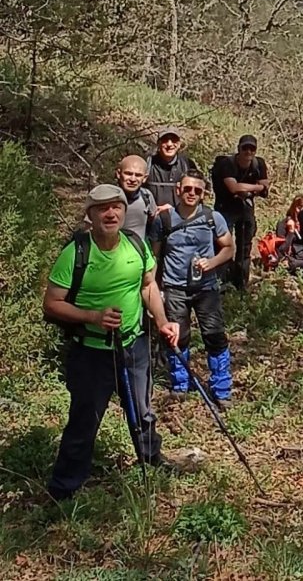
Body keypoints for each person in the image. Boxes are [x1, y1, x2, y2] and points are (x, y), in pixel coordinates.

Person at [43, 185, 180, 501]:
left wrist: (162, 322)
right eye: (102, 208)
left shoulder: (135, 243)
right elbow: (51, 303)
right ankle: (63, 490)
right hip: (91, 351)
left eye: (116, 207)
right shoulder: (75, 253)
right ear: (89, 215)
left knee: (143, 412)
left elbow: (148, 286)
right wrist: (92, 315)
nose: (111, 213)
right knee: (84, 421)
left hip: (134, 345)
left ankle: (151, 461)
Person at [149, 171, 235, 404]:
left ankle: (221, 388)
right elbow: (154, 258)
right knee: (179, 337)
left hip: (206, 287)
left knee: (214, 335)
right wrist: (153, 291)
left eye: (197, 190)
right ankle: (180, 385)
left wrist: (212, 262)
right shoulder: (163, 220)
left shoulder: (212, 218)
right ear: (178, 189)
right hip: (175, 287)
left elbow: (229, 247)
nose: (192, 193)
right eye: (187, 189)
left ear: (203, 193)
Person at [211, 134, 270, 291]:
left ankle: (241, 283)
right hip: (226, 209)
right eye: (245, 148)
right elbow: (234, 187)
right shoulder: (227, 164)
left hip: (245, 208)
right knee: (222, 245)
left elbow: (265, 187)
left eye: (252, 148)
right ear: (239, 148)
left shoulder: (259, 164)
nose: (248, 152)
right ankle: (219, 282)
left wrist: (247, 188)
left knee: (245, 247)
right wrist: (255, 187)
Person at [144, 128, 199, 212]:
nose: (169, 144)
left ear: (179, 144)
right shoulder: (147, 162)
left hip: (180, 217)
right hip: (152, 216)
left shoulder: (188, 164)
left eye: (174, 140)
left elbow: (196, 192)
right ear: (158, 143)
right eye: (165, 140)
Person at [115, 154, 157, 240]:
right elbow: (90, 227)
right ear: (119, 174)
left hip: (137, 251)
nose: (133, 179)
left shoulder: (147, 196)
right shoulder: (106, 197)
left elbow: (153, 219)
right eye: (128, 173)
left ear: (144, 178)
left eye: (138, 175)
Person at [275, 195, 303, 278]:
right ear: (296, 209)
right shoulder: (283, 224)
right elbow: (281, 249)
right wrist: (291, 232)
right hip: (291, 259)